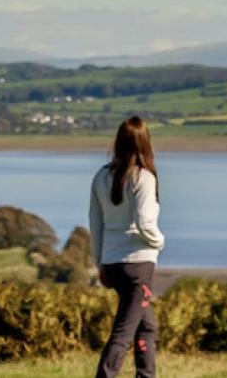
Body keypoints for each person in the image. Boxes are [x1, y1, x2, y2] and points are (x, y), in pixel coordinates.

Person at [91, 116, 165, 378]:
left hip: (113, 264)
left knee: (147, 326)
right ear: (146, 143)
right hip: (139, 265)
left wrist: (99, 264)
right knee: (123, 332)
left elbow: (96, 224)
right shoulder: (143, 178)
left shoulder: (101, 176)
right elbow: (145, 223)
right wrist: (160, 242)